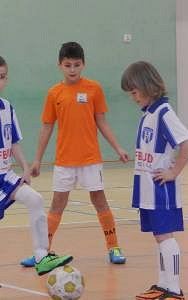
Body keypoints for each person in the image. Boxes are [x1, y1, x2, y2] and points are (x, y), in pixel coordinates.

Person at [0, 53, 73, 300]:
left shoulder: (8, 108)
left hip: (6, 176)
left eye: (1, 77)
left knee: (35, 199)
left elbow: (14, 143)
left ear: (6, 79)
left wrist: (25, 167)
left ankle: (42, 256)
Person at [20, 42, 129, 268]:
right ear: (60, 65)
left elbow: (102, 122)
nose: (72, 69)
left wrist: (118, 148)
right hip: (64, 161)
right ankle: (43, 253)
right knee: (57, 204)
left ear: (83, 65)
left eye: (76, 65)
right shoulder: (54, 93)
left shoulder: (94, 89)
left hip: (90, 158)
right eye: (67, 65)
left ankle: (113, 246)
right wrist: (37, 159)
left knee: (100, 200)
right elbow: (47, 126)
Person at [121, 61, 188, 300]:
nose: (132, 98)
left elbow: (187, 142)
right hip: (147, 190)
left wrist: (173, 172)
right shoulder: (149, 114)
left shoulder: (164, 113)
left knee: (165, 235)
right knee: (158, 237)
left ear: (146, 86)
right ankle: (164, 285)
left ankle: (174, 289)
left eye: (134, 92)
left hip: (161, 189)